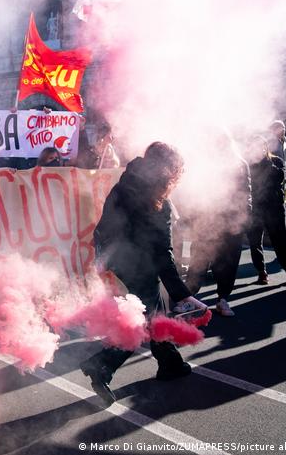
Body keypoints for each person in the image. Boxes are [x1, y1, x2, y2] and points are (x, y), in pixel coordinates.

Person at [79, 142, 207, 405]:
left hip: (116, 259)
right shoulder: (158, 202)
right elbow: (163, 252)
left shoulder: (126, 182)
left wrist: (104, 259)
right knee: (143, 319)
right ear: (168, 173)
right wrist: (183, 295)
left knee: (153, 315)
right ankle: (102, 365)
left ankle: (169, 363)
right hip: (138, 265)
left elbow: (105, 225)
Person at [186, 133, 251, 316]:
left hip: (231, 222)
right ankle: (189, 299)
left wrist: (243, 219)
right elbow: (195, 192)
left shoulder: (240, 165)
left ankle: (223, 299)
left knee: (228, 263)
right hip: (207, 220)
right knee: (198, 261)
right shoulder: (204, 165)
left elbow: (246, 194)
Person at [246, 136, 286, 286]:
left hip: (274, 207)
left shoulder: (276, 161)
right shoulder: (249, 166)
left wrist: (267, 163)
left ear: (266, 148)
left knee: (281, 240)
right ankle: (261, 272)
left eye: (261, 147)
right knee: (255, 241)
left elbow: (280, 177)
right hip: (256, 208)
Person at [269, 120, 286, 185]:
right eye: (281, 128)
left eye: (284, 128)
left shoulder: (285, 142)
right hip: (275, 178)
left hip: (284, 178)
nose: (283, 130)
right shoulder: (270, 142)